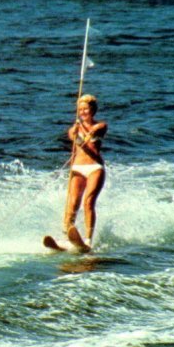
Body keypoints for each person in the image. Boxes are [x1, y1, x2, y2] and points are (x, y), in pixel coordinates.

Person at [63, 94, 107, 248]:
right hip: (77, 168)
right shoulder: (73, 129)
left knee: (88, 202)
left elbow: (97, 130)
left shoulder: (101, 126)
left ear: (93, 110)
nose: (82, 112)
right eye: (80, 109)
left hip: (95, 168)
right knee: (73, 203)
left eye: (85, 109)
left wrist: (88, 132)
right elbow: (78, 142)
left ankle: (88, 239)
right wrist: (75, 135)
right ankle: (67, 234)